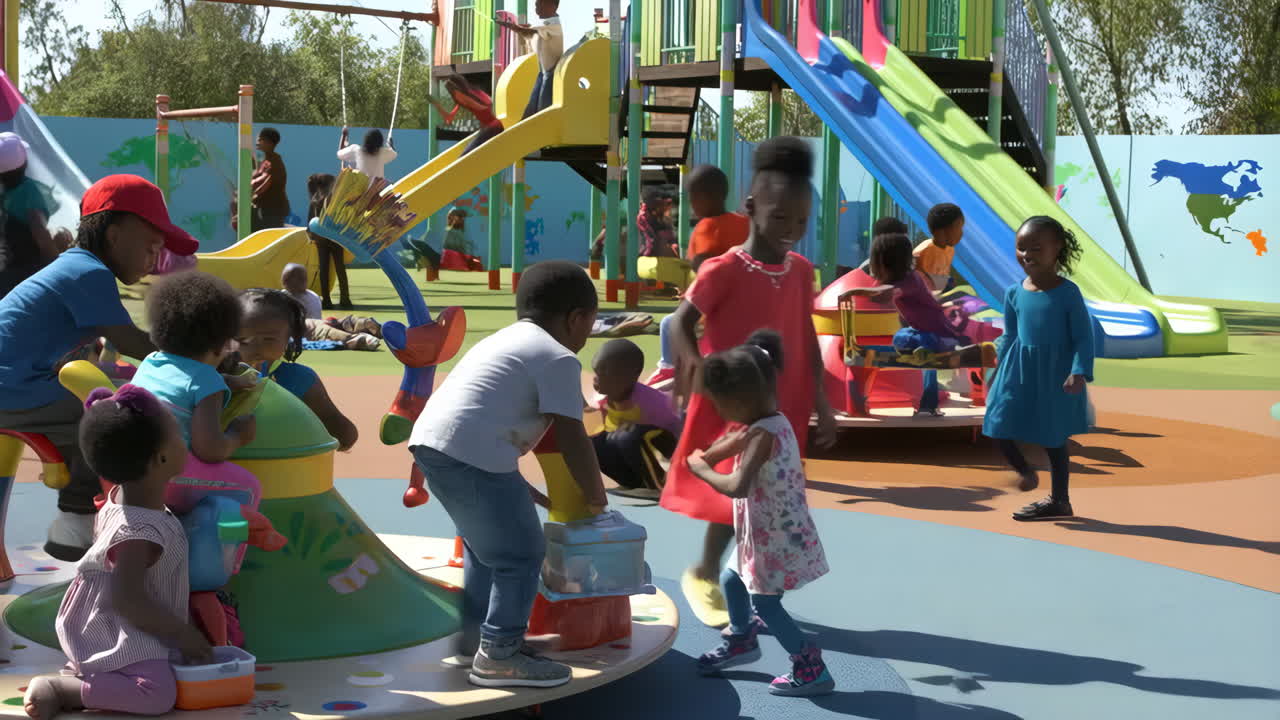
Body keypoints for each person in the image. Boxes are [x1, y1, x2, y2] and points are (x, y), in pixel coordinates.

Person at [664, 138, 837, 628]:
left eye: (802, 221)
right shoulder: (725, 268)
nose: (792, 231)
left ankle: (743, 585)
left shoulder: (801, 271)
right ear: (751, 208)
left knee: (764, 495)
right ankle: (704, 572)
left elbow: (804, 337)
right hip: (734, 401)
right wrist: (694, 366)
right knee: (735, 496)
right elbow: (680, 322)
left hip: (782, 401)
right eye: (780, 218)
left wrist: (822, 401)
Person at [409, 260, 606, 688]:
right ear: (576, 318)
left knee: (485, 549)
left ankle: (476, 638)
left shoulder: (507, 339)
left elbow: (485, 415)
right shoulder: (558, 358)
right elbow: (573, 437)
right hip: (470, 452)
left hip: (432, 443)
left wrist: (524, 490)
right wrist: (597, 498)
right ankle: (500, 653)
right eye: (590, 322)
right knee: (520, 555)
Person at [0, 174, 197, 562]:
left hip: (17, 382)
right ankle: (76, 523)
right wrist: (200, 357)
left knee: (97, 410)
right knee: (110, 423)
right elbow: (133, 343)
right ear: (114, 234)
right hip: (10, 385)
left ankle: (75, 514)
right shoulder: (88, 273)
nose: (154, 261)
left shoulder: (75, 267)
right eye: (150, 246)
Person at [22, 385, 214, 720]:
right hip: (117, 624)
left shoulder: (126, 496)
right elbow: (129, 600)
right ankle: (64, 689)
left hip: (110, 615)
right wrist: (181, 633)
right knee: (156, 695)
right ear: (162, 459)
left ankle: (97, 671)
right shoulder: (139, 533)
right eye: (179, 437)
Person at [689, 331, 833, 697]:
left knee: (766, 604)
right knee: (731, 579)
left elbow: (736, 485)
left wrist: (703, 471)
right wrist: (706, 455)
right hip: (766, 533)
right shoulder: (771, 421)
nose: (720, 413)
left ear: (738, 401)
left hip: (774, 540)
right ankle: (741, 640)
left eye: (720, 405)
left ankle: (810, 668)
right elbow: (732, 442)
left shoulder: (762, 436)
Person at [983, 216, 1093, 521]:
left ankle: (1060, 500)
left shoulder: (1068, 293)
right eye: (1021, 248)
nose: (1026, 254)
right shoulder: (1014, 293)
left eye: (1035, 247)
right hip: (1018, 369)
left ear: (1056, 248)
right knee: (998, 420)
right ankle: (1025, 472)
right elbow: (1011, 335)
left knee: (1052, 436)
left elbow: (1083, 336)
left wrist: (1079, 370)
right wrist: (996, 372)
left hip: (1054, 374)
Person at [130, 271, 256, 463]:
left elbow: (182, 384)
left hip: (133, 464)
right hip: (170, 474)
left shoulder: (151, 362)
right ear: (218, 344)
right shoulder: (207, 380)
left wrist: (231, 382)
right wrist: (237, 436)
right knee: (250, 485)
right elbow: (210, 450)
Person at [648, 166, 750, 386]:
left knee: (669, 324)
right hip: (744, 302)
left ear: (704, 197)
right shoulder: (743, 222)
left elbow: (703, 267)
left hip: (713, 309)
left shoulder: (705, 228)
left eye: (693, 197)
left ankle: (670, 367)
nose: (692, 204)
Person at [237, 288, 359, 451]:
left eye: (268, 339)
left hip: (281, 468)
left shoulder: (298, 379)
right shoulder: (215, 375)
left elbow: (345, 435)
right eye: (243, 339)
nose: (255, 347)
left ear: (288, 338)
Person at [853, 232, 991, 369]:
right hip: (925, 332)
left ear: (889, 264)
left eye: (877, 264)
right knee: (902, 337)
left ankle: (936, 349)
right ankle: (924, 351)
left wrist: (853, 292)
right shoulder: (901, 280)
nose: (875, 271)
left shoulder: (910, 281)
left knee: (910, 338)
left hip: (937, 334)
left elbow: (884, 295)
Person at [589, 339, 681, 499]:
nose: (596, 379)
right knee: (594, 443)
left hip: (671, 451)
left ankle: (657, 486)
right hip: (640, 448)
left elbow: (679, 433)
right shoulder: (603, 401)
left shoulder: (651, 402)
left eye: (605, 373)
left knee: (627, 435)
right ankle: (634, 483)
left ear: (631, 376)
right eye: (596, 372)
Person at [0, 132, 57, 296]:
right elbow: (39, 230)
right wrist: (57, 265)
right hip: (22, 271)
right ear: (24, 163)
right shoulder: (29, 190)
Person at [279, 263, 380, 351]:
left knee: (328, 325)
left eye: (288, 279)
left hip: (309, 327)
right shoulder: (283, 296)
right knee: (327, 326)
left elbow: (309, 325)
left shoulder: (309, 297)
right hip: (311, 326)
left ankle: (360, 329)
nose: (284, 282)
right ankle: (359, 331)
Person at [497, 0, 563, 118]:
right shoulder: (544, 25)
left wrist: (512, 26)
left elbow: (527, 31)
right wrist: (519, 28)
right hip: (543, 72)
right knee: (531, 107)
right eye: (535, 6)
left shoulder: (553, 24)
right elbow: (530, 32)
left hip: (551, 73)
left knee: (543, 109)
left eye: (539, 5)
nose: (536, 9)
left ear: (552, 5)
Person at [427, 73, 504, 155]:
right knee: (466, 155)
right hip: (488, 128)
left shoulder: (475, 98)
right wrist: (437, 105)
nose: (456, 98)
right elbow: (449, 119)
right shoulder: (468, 98)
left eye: (455, 94)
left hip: (493, 127)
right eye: (453, 95)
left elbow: (488, 106)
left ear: (459, 90)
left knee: (465, 155)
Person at [306, 173, 351, 310]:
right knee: (340, 268)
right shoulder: (334, 199)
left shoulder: (315, 199)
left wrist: (311, 237)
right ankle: (345, 299)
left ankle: (326, 300)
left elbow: (310, 221)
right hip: (335, 237)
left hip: (321, 238)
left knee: (324, 269)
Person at [914, 202, 964, 292]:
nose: (961, 233)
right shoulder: (922, 252)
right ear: (943, 230)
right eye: (958, 227)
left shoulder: (950, 250)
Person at [250, 128, 289, 232]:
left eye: (260, 140)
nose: (257, 142)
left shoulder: (273, 162)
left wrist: (248, 193)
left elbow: (262, 185)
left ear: (269, 143)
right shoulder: (262, 160)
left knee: (265, 239)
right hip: (264, 209)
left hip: (272, 211)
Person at [636, 187, 677, 258]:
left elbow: (671, 238)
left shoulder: (663, 216)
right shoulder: (643, 216)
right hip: (648, 255)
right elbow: (650, 239)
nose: (668, 207)